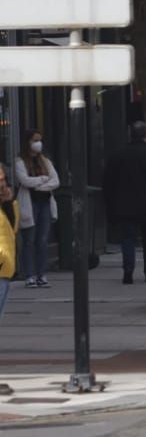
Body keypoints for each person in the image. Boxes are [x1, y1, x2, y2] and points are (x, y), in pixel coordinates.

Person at [101, 121, 146, 285]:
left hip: (124, 206)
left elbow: (108, 182)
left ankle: (128, 270)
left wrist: (110, 205)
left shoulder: (118, 155)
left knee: (128, 239)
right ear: (145, 135)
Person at [14, 130, 60, 289]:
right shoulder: (20, 161)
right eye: (35, 140)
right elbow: (25, 181)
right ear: (28, 142)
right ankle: (29, 275)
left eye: (40, 140)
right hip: (30, 204)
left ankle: (42, 274)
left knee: (42, 240)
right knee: (29, 240)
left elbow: (55, 181)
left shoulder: (45, 161)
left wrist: (39, 186)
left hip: (45, 203)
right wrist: (43, 180)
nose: (38, 143)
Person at [0, 163, 16, 319]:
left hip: (5, 269)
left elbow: (14, 228)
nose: (2, 184)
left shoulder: (4, 206)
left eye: (3, 180)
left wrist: (9, 203)